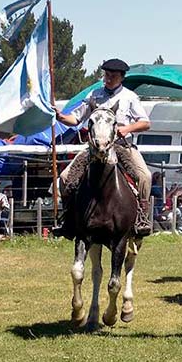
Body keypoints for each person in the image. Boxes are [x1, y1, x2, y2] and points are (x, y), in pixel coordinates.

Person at [54, 58, 153, 236]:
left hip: (121, 146)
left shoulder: (129, 97)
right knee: (64, 177)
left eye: (113, 76)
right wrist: (60, 116)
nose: (108, 79)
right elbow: (76, 119)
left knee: (145, 176)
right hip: (93, 148)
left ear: (121, 78)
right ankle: (68, 219)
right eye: (106, 75)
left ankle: (141, 217)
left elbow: (145, 123)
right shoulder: (94, 95)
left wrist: (128, 128)